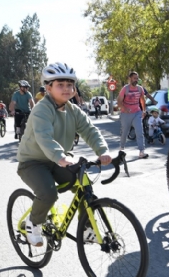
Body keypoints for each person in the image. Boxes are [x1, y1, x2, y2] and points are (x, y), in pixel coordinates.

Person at [16, 62, 110, 247]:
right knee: (48, 194)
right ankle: (33, 223)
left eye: (70, 85)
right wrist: (61, 157)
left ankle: (87, 228)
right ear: (48, 88)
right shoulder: (41, 109)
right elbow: (44, 138)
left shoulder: (73, 110)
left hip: (58, 160)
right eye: (60, 85)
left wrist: (103, 151)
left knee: (84, 184)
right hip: (33, 162)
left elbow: (90, 131)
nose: (66, 89)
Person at [117, 70, 156, 159]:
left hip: (137, 113)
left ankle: (141, 152)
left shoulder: (140, 89)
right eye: (134, 78)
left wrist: (144, 110)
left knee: (139, 131)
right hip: (126, 114)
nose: (136, 80)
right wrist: (124, 108)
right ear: (130, 78)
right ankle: (121, 148)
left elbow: (142, 100)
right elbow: (119, 101)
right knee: (124, 132)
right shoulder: (125, 89)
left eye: (137, 79)